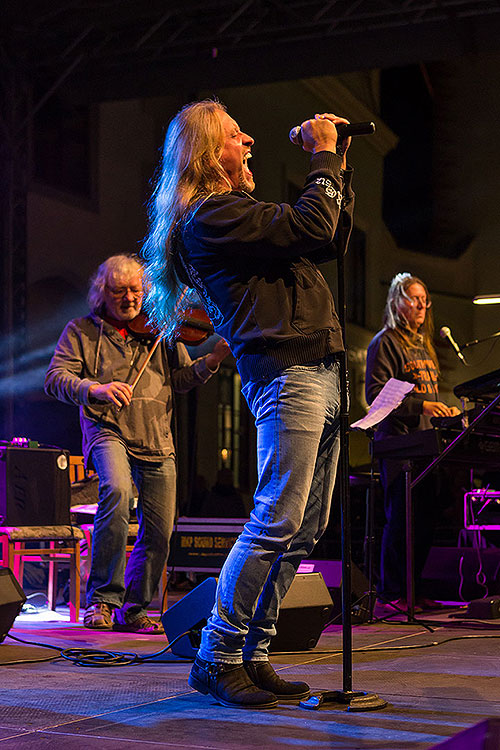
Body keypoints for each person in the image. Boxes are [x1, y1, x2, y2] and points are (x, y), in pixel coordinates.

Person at [142, 99, 354, 707]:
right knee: (276, 520)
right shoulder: (211, 215)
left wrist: (336, 163)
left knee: (305, 528)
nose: (251, 142)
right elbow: (310, 227)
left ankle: (253, 653)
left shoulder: (239, 214)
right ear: (209, 155)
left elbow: (329, 238)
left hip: (318, 370)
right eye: (238, 136)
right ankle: (216, 654)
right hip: (288, 373)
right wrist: (319, 159)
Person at [45, 254, 229, 633]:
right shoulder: (81, 331)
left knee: (160, 528)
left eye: (136, 290)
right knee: (116, 489)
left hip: (157, 437)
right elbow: (55, 378)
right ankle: (101, 600)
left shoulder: (160, 329)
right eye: (120, 291)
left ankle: (134, 608)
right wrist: (94, 387)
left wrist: (210, 361)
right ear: (102, 293)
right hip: (107, 430)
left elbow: (179, 379)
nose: (130, 298)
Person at [365, 272, 460, 613]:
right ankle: (392, 594)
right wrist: (422, 405)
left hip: (425, 444)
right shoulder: (384, 342)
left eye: (425, 299)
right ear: (396, 302)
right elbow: (376, 397)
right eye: (414, 298)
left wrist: (442, 409)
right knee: (402, 520)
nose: (422, 305)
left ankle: (414, 590)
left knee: (425, 520)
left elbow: (427, 394)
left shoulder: (423, 344)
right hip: (399, 445)